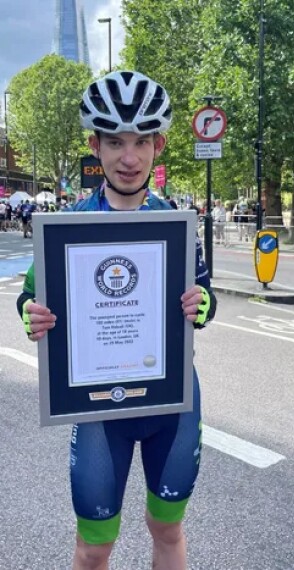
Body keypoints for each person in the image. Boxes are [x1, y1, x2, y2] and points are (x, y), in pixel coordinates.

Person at [17, 70, 217, 570]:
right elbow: (28, 296)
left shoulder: (177, 224)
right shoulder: (63, 227)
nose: (129, 157)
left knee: (167, 529)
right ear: (95, 145)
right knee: (93, 546)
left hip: (169, 404)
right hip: (99, 410)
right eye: (115, 142)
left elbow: (204, 295)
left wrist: (205, 305)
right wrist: (31, 315)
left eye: (140, 142)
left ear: (158, 145)